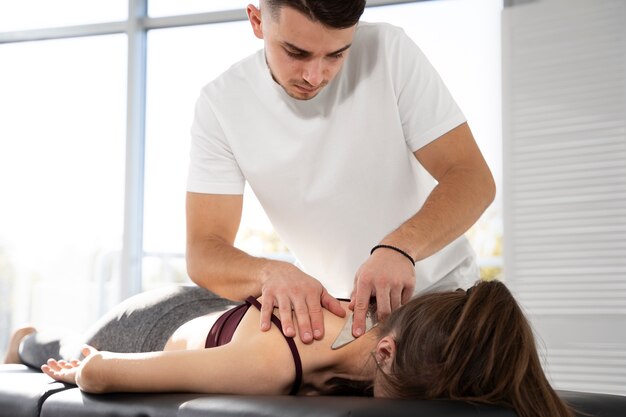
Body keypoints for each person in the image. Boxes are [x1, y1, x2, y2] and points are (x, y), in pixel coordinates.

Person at [185, 0, 496, 345]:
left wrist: (399, 248)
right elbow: (203, 253)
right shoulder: (221, 104)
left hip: (444, 300)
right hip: (342, 320)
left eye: (336, 55)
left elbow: (473, 178)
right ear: (257, 22)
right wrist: (269, 273)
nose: (314, 76)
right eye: (296, 52)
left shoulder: (388, 51)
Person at [4, 280, 572, 417]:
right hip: (152, 322)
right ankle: (22, 339)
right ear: (389, 352)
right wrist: (84, 371)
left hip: (219, 313)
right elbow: (102, 375)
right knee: (52, 348)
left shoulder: (395, 327)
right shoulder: (273, 365)